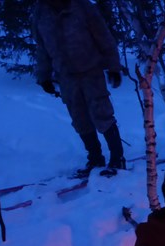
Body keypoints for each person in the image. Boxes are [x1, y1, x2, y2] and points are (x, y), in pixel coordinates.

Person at [32, 0, 126, 177]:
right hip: (66, 76)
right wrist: (43, 76)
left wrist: (114, 66)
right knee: (80, 119)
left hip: (91, 71)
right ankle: (95, 158)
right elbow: (42, 48)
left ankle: (117, 159)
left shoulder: (82, 7)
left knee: (102, 114)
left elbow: (104, 37)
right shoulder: (40, 13)